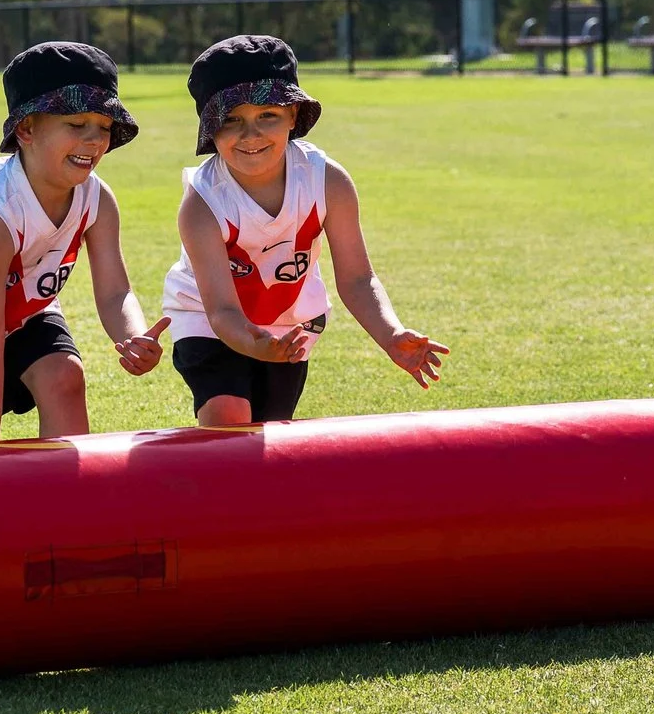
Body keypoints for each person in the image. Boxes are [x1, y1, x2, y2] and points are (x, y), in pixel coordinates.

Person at [0, 42, 170, 446]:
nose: (93, 141)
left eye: (104, 127)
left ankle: (67, 504)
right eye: (76, 125)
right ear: (26, 130)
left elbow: (115, 290)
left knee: (64, 376)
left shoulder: (97, 198)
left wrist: (133, 334)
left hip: (21, 314)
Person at [160, 34, 445, 425]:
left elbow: (359, 279)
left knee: (272, 430)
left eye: (268, 116)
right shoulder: (202, 204)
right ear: (210, 128)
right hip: (208, 321)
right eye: (231, 120)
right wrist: (255, 345)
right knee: (229, 414)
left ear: (294, 116)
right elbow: (223, 311)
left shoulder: (327, 181)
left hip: (291, 324)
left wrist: (391, 334)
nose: (251, 135)